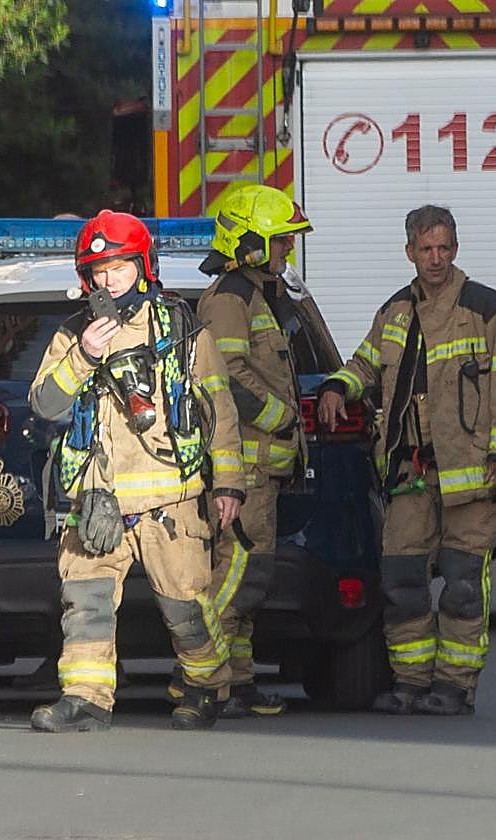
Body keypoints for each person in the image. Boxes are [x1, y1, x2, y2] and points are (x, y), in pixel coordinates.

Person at [28, 209, 247, 732]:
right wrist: (83, 355)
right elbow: (45, 405)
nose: (109, 282)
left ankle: (205, 687)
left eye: (119, 270)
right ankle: (85, 700)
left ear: (143, 268)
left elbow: (220, 410)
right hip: (97, 504)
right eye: (99, 273)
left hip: (170, 504)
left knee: (186, 610)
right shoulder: (73, 336)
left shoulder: (184, 331)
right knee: (85, 605)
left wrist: (230, 483)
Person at [318, 205, 496, 716]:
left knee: (460, 582)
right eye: (426, 249)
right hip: (411, 470)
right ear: (409, 252)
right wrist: (335, 387)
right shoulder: (395, 311)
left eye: (444, 248)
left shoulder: (488, 308)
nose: (435, 259)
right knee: (402, 579)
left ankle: (455, 687)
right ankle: (411, 683)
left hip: (475, 473)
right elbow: (365, 363)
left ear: (456, 249)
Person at [172, 185, 313, 718]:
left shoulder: (258, 295)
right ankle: (199, 676)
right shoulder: (230, 298)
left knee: (251, 577)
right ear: (250, 243)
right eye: (280, 243)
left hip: (262, 465)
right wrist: (281, 417)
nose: (286, 253)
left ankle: (238, 680)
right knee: (238, 574)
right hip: (246, 463)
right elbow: (223, 376)